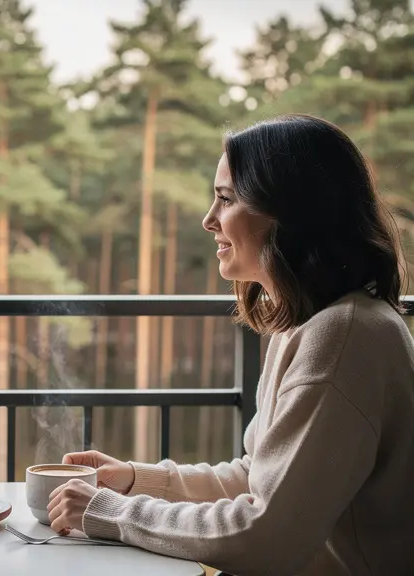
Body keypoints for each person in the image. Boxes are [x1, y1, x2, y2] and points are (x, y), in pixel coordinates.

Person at [48, 114, 414, 575]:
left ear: (289, 210)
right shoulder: (313, 323)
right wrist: (138, 481)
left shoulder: (343, 336)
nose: (208, 220)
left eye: (225, 199)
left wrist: (112, 512)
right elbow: (257, 477)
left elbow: (265, 535)